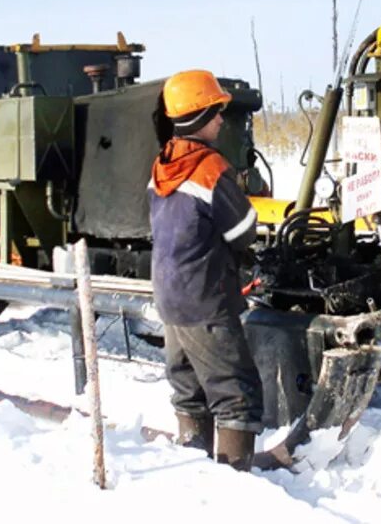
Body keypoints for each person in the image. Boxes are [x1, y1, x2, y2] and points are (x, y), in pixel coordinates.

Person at [147, 69, 263, 471]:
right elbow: (244, 231)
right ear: (198, 117)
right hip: (205, 299)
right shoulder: (209, 168)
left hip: (170, 296)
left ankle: (193, 470)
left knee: (189, 391)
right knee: (235, 394)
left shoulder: (162, 165)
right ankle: (234, 479)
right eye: (215, 113)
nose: (219, 120)